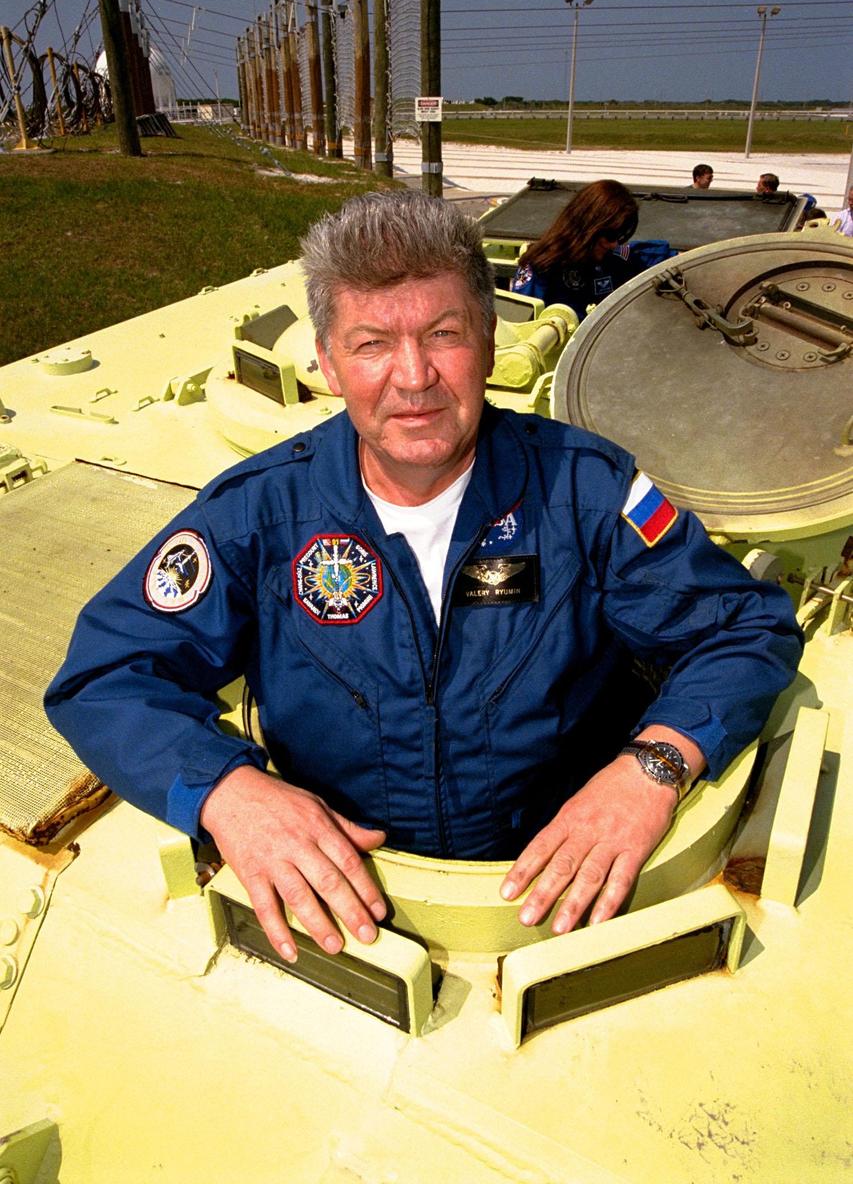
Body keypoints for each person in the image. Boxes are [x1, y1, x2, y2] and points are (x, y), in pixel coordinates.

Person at [45, 192, 803, 965]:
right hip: (341, 914)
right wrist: (230, 793)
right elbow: (106, 677)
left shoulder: (587, 493)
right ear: (329, 362)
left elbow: (745, 630)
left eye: (442, 335)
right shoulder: (261, 513)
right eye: (372, 343)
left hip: (563, 899)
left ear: (485, 337)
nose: (413, 378)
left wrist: (652, 767)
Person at [508, 179, 674, 324]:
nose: (614, 243)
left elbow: (665, 258)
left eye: (621, 236)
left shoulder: (616, 258)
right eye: (610, 235)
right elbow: (520, 329)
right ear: (588, 226)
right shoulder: (541, 268)